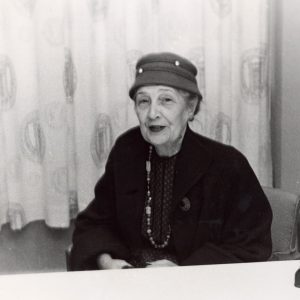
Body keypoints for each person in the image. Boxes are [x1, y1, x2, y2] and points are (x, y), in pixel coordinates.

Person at [70, 52, 272, 270]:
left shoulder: (227, 164)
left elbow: (250, 244)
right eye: (143, 102)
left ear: (190, 108)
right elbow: (95, 221)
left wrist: (184, 272)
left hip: (197, 286)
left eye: (166, 100)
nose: (152, 113)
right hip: (130, 281)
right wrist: (106, 261)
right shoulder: (126, 151)